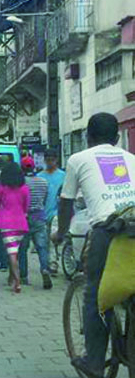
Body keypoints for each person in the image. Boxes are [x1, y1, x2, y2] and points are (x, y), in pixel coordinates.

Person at [53, 113, 135, 378]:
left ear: (88, 137)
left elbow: (66, 203)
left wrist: (60, 232)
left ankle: (95, 362)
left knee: (97, 296)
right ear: (116, 138)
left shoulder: (78, 159)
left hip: (109, 231)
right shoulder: (132, 159)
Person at [0, 162, 30, 293]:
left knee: (11, 253)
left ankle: (17, 281)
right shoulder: (24, 188)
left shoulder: (2, 187)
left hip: (6, 223)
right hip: (21, 223)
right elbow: (26, 206)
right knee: (17, 251)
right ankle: (11, 277)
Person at [18, 156, 52, 290]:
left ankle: (23, 276)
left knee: (23, 249)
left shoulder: (20, 184)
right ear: (34, 167)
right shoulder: (43, 182)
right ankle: (44, 269)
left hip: (23, 218)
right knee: (42, 247)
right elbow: (45, 200)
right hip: (39, 216)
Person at [38, 148, 66, 273]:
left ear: (56, 160)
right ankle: (48, 262)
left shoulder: (63, 176)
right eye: (48, 160)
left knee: (54, 237)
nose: (50, 162)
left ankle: (54, 262)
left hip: (57, 212)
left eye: (52, 160)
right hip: (43, 213)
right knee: (44, 240)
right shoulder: (39, 176)